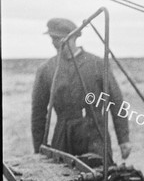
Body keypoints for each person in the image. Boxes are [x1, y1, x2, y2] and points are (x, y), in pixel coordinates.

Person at [31, 18, 132, 162]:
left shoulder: (97, 64)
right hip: (63, 137)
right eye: (52, 38)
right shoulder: (46, 69)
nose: (54, 43)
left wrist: (124, 139)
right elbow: (38, 112)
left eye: (58, 39)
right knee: (61, 179)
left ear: (73, 37)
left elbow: (116, 101)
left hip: (95, 134)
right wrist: (38, 148)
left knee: (103, 179)